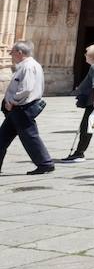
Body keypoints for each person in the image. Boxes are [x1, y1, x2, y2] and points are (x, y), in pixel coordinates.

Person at [2, 40, 54, 175]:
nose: (11, 55)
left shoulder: (28, 67)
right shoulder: (27, 66)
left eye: (12, 52)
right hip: (18, 109)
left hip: (21, 108)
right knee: (2, 138)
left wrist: (12, 101)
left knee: (30, 137)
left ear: (19, 53)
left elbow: (26, 88)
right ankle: (45, 163)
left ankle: (45, 163)